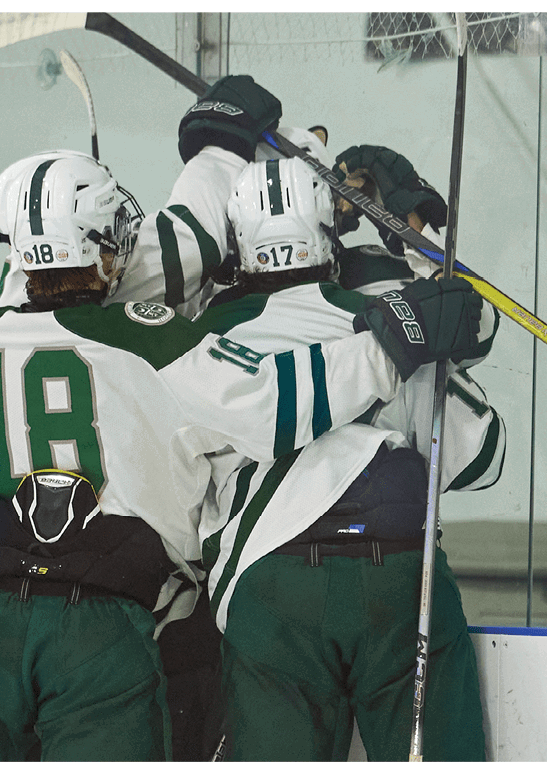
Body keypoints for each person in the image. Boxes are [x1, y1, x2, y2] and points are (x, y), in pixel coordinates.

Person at [0, 79, 488, 760]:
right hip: (105, 624)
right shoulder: (149, 338)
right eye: (118, 234)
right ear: (99, 249)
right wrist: (391, 343)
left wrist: (218, 155)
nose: (131, 246)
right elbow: (270, 404)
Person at [194, 150, 505, 761]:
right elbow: (481, 457)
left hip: (269, 587)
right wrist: (414, 243)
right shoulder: (393, 323)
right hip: (396, 581)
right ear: (329, 228)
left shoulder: (196, 338)